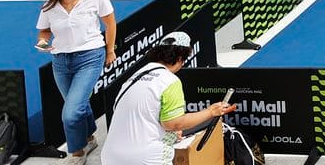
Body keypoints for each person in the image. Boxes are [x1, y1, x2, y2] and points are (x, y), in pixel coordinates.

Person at [101, 31, 236, 165]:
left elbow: (139, 117)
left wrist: (169, 134)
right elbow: (173, 124)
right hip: (146, 159)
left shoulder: (133, 78)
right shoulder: (169, 81)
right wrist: (210, 112)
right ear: (180, 58)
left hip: (110, 157)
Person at [36, 0, 117, 160]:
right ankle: (89, 137)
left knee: (71, 112)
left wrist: (110, 50)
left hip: (90, 57)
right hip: (60, 62)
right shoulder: (49, 7)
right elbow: (44, 31)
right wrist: (43, 42)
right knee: (79, 103)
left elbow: (110, 23)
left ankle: (76, 152)